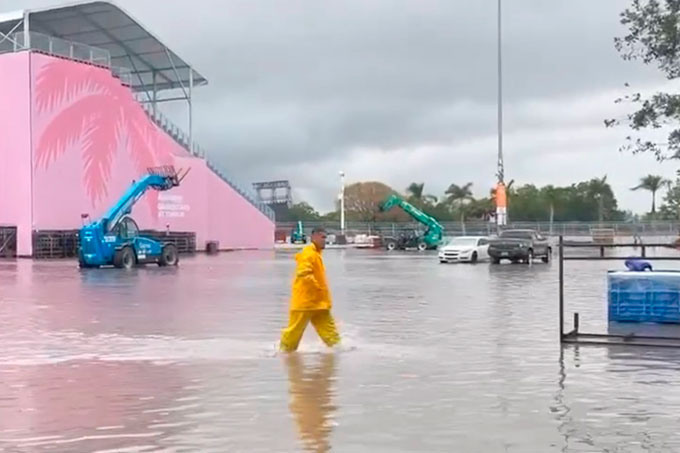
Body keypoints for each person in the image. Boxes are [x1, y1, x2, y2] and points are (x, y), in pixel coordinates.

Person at [279, 227, 341, 352]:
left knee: (331, 334)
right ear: (314, 237)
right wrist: (316, 288)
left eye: (325, 237)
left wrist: (319, 292)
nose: (325, 240)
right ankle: (283, 353)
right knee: (293, 333)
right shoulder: (308, 253)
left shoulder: (316, 254)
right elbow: (303, 273)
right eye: (322, 237)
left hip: (319, 303)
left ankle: (339, 353)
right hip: (305, 302)